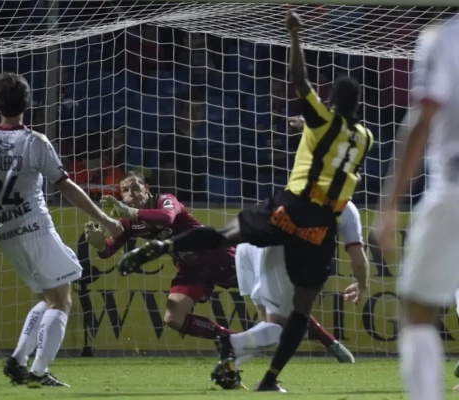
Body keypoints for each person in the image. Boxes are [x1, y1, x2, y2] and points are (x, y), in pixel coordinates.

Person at [117, 10, 373, 392]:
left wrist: (294, 35)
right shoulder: (365, 137)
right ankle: (266, 378)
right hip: (318, 228)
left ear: (331, 101)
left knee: (222, 235)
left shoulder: (322, 117)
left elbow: (300, 79)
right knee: (297, 314)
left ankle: (163, 245)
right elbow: (339, 152)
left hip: (286, 209)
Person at [0, 72, 122, 387]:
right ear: (28, 103)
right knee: (62, 300)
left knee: (48, 297)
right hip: (34, 228)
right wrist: (104, 218)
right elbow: (66, 186)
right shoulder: (35, 142)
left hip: (3, 233)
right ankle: (39, 372)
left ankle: (18, 360)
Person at [84, 171, 282, 348]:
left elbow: (167, 217)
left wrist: (131, 212)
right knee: (173, 318)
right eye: (125, 191)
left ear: (146, 188)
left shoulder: (165, 200)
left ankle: (296, 333)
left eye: (135, 187)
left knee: (271, 301)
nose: (131, 194)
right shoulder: (129, 222)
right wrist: (100, 244)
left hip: (216, 256)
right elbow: (108, 251)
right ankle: (234, 340)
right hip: (190, 269)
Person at [375, 18, 459, 400]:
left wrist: (390, 205)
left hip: (452, 188)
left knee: (417, 312)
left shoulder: (443, 37)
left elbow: (421, 121)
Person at [211, 201, 367, 389]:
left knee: (267, 323)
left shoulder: (300, 190)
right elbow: (358, 260)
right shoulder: (345, 206)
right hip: (276, 245)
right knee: (283, 326)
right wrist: (362, 285)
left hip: (249, 241)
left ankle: (229, 367)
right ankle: (232, 342)